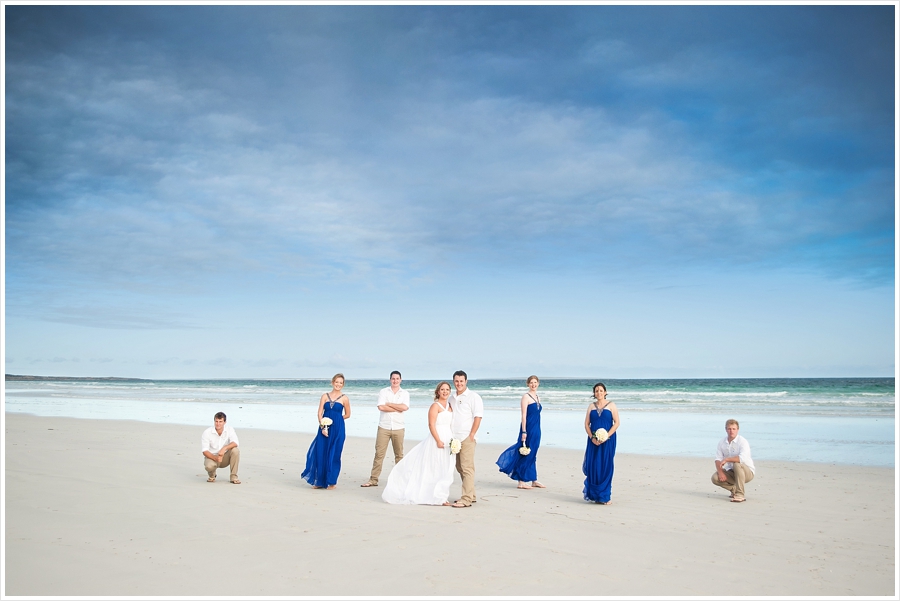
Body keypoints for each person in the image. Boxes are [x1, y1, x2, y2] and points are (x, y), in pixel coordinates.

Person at [382, 382, 456, 505]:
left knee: (446, 468)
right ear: (438, 391)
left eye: (447, 389)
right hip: (437, 439)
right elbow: (431, 424)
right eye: (442, 389)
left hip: (449, 439)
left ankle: (442, 495)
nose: (445, 392)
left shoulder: (450, 405)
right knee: (434, 468)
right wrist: (438, 440)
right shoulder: (435, 406)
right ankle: (437, 498)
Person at [301, 373, 351, 489]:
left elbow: (348, 415)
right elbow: (319, 412)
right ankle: (319, 481)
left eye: (341, 383)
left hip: (338, 429)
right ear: (332, 382)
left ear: (343, 385)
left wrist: (336, 420)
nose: (338, 384)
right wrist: (323, 425)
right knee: (321, 452)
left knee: (335, 453)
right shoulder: (325, 396)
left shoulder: (345, 398)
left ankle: (332, 481)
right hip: (324, 428)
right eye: (336, 382)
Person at [361, 370, 409, 487]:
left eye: (397, 379)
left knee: (399, 455)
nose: (395, 381)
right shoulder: (383, 391)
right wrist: (397, 408)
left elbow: (405, 407)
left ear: (400, 380)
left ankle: (400, 480)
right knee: (379, 454)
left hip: (398, 427)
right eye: (393, 379)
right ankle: (373, 479)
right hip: (384, 427)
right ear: (390, 380)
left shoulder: (405, 393)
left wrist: (389, 404)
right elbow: (381, 407)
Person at [496, 375, 544, 489]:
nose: (533, 384)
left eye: (535, 382)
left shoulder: (537, 397)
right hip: (527, 429)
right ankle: (521, 481)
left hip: (537, 428)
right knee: (525, 452)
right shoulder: (525, 397)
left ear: (538, 383)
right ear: (528, 384)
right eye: (531, 382)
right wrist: (524, 431)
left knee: (533, 453)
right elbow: (523, 415)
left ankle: (533, 479)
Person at [448, 370, 483, 508]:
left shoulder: (473, 397)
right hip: (454, 438)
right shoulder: (452, 398)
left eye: (461, 381)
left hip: (467, 437)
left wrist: (472, 434)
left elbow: (478, 416)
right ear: (453, 381)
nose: (459, 384)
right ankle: (471, 494)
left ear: (466, 381)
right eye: (456, 381)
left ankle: (466, 499)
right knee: (459, 467)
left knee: (467, 468)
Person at [582, 382, 619, 504]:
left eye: (601, 390)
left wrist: (606, 436)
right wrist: (592, 437)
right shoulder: (591, 406)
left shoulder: (611, 405)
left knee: (606, 465)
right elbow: (586, 424)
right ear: (594, 393)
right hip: (593, 440)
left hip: (608, 440)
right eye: (596, 391)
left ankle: (604, 496)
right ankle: (595, 495)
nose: (599, 393)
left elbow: (617, 423)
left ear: (605, 392)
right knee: (594, 465)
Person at [711, 419, 756, 502]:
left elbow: (742, 458)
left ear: (737, 429)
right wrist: (721, 473)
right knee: (715, 478)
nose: (731, 431)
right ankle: (734, 490)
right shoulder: (722, 442)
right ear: (726, 429)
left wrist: (727, 459)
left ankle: (740, 494)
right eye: (729, 429)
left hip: (747, 472)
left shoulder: (743, 442)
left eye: (733, 429)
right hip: (732, 472)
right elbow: (718, 459)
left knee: (737, 464)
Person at [201, 412, 241, 484]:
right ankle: (212, 475)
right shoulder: (207, 432)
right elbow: (205, 451)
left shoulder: (229, 429)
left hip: (225, 457)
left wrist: (224, 448)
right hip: (212, 457)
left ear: (225, 422)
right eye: (216, 421)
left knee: (235, 450)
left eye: (220, 421)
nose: (218, 424)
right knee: (209, 466)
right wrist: (215, 458)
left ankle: (233, 477)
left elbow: (235, 443)